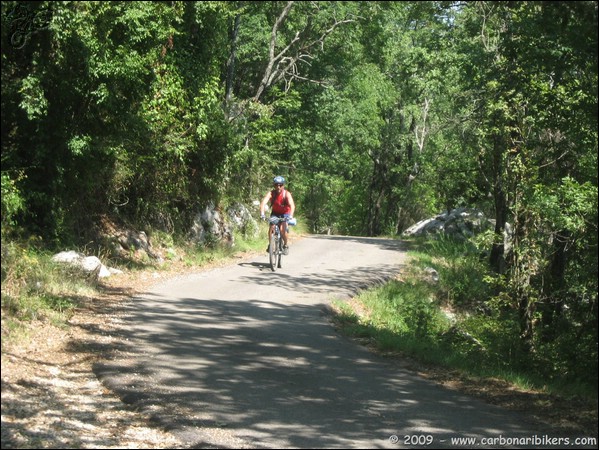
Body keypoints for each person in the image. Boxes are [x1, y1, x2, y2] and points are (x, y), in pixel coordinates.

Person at [260, 175, 295, 255]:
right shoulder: (271, 193)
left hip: (285, 214)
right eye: (276, 185)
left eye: (280, 185)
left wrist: (291, 216)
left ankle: (285, 245)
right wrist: (262, 214)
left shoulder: (286, 194)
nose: (278, 187)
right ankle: (270, 245)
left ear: (283, 185)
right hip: (275, 213)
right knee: (271, 227)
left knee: (283, 229)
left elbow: (292, 205)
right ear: (274, 185)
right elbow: (263, 203)